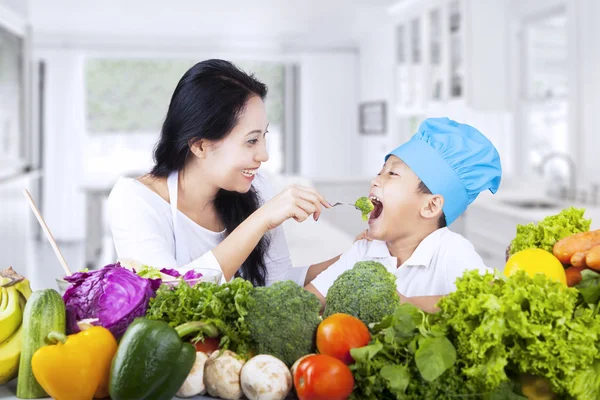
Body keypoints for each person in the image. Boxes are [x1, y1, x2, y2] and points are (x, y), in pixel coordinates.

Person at [107, 59, 331, 287]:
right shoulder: (134, 201)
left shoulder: (257, 187)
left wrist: (358, 257)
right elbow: (167, 295)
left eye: (264, 136)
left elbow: (278, 285)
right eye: (251, 140)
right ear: (200, 145)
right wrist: (260, 220)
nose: (264, 155)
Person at [305, 117, 503, 312]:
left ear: (431, 206)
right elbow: (307, 301)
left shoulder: (452, 251)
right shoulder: (364, 250)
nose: (375, 180)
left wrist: (402, 303)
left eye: (392, 174)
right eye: (380, 172)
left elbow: (488, 297)